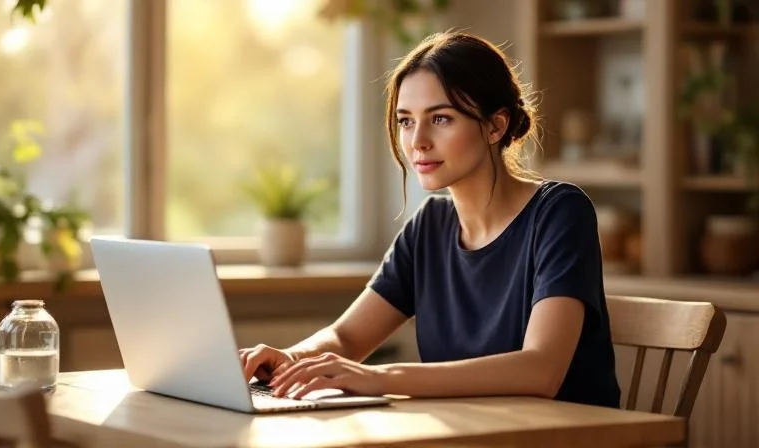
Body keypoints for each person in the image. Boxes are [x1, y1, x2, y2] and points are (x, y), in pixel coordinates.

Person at [240, 31, 621, 408]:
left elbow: (540, 370)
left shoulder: (559, 213)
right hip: (472, 435)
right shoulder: (429, 227)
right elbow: (345, 339)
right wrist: (291, 359)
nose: (417, 141)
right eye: (406, 121)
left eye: (440, 118)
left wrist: (380, 377)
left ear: (496, 126)